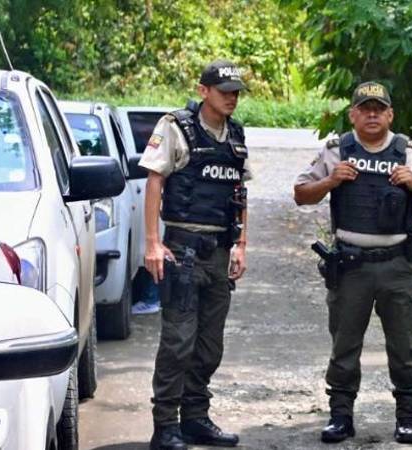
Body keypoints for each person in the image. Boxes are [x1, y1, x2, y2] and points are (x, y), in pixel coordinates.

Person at [293, 81, 412, 444]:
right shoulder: (337, 150)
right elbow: (300, 194)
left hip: (398, 266)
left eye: (379, 109)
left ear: (390, 115)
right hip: (351, 267)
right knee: (344, 345)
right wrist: (331, 180)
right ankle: (340, 417)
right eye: (365, 109)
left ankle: (407, 418)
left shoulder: (409, 152)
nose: (372, 115)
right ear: (353, 115)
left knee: (404, 347)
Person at [141, 59, 251, 450]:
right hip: (182, 249)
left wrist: (241, 244)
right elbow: (155, 181)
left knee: (209, 345)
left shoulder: (236, 134)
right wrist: (152, 243)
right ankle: (165, 426)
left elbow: (240, 193)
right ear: (204, 91)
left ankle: (195, 418)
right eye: (225, 92)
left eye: (236, 93)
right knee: (178, 343)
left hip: (218, 250)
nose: (232, 99)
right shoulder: (176, 127)